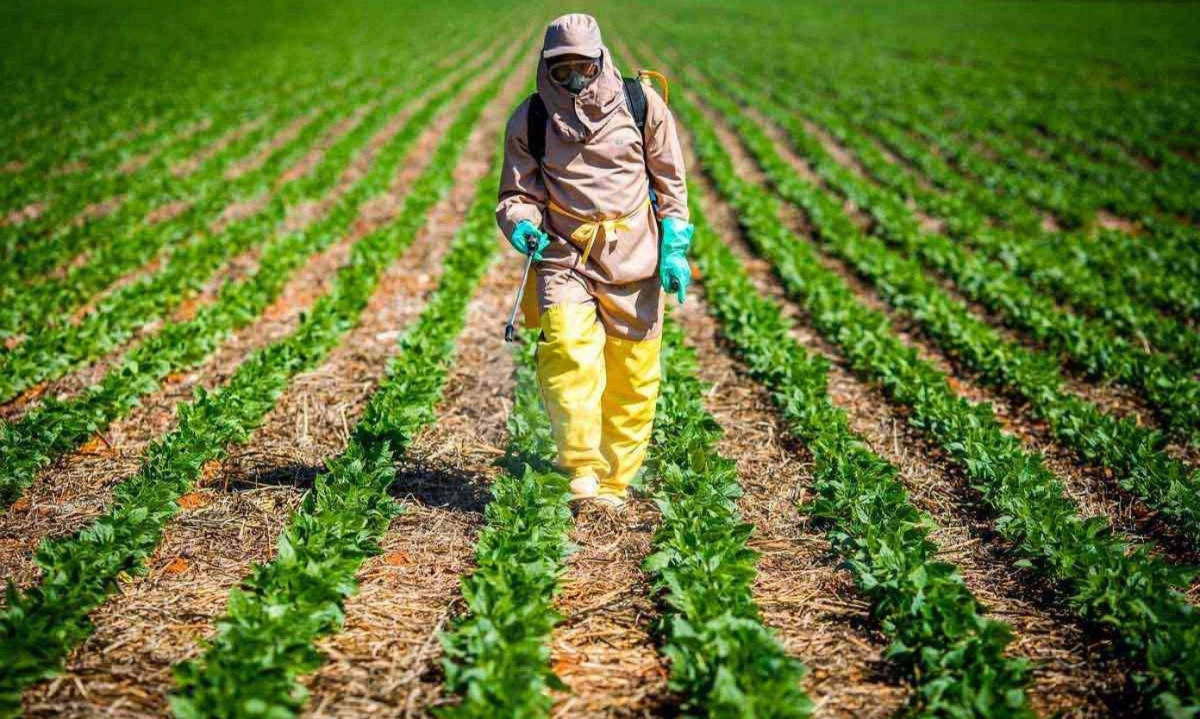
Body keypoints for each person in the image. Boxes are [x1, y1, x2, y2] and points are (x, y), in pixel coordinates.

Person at [496, 13, 693, 506]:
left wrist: (674, 246)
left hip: (635, 253)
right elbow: (516, 192)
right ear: (546, 69)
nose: (575, 81)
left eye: (584, 68)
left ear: (601, 60)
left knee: (632, 370)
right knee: (566, 349)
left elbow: (670, 182)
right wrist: (521, 224)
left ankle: (616, 480)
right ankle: (581, 465)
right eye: (562, 71)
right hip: (565, 254)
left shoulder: (641, 104)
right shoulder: (531, 119)